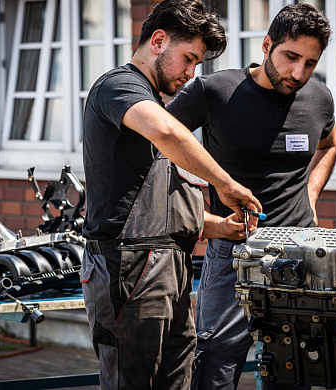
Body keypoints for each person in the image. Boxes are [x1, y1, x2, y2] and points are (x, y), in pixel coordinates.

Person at [80, 1, 262, 389]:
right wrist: (227, 185)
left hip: (173, 267)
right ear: (158, 41)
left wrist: (219, 227)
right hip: (128, 269)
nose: (191, 74)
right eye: (189, 59)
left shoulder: (153, 108)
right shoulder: (119, 87)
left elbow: (156, 204)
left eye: (198, 65)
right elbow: (168, 133)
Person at [167, 4, 336, 389]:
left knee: (296, 367)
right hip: (235, 251)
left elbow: (328, 146)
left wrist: (310, 195)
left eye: (310, 63)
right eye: (290, 57)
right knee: (215, 366)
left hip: (300, 251)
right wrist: (198, 215)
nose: (298, 73)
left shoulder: (319, 98)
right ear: (266, 44)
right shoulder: (213, 91)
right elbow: (155, 147)